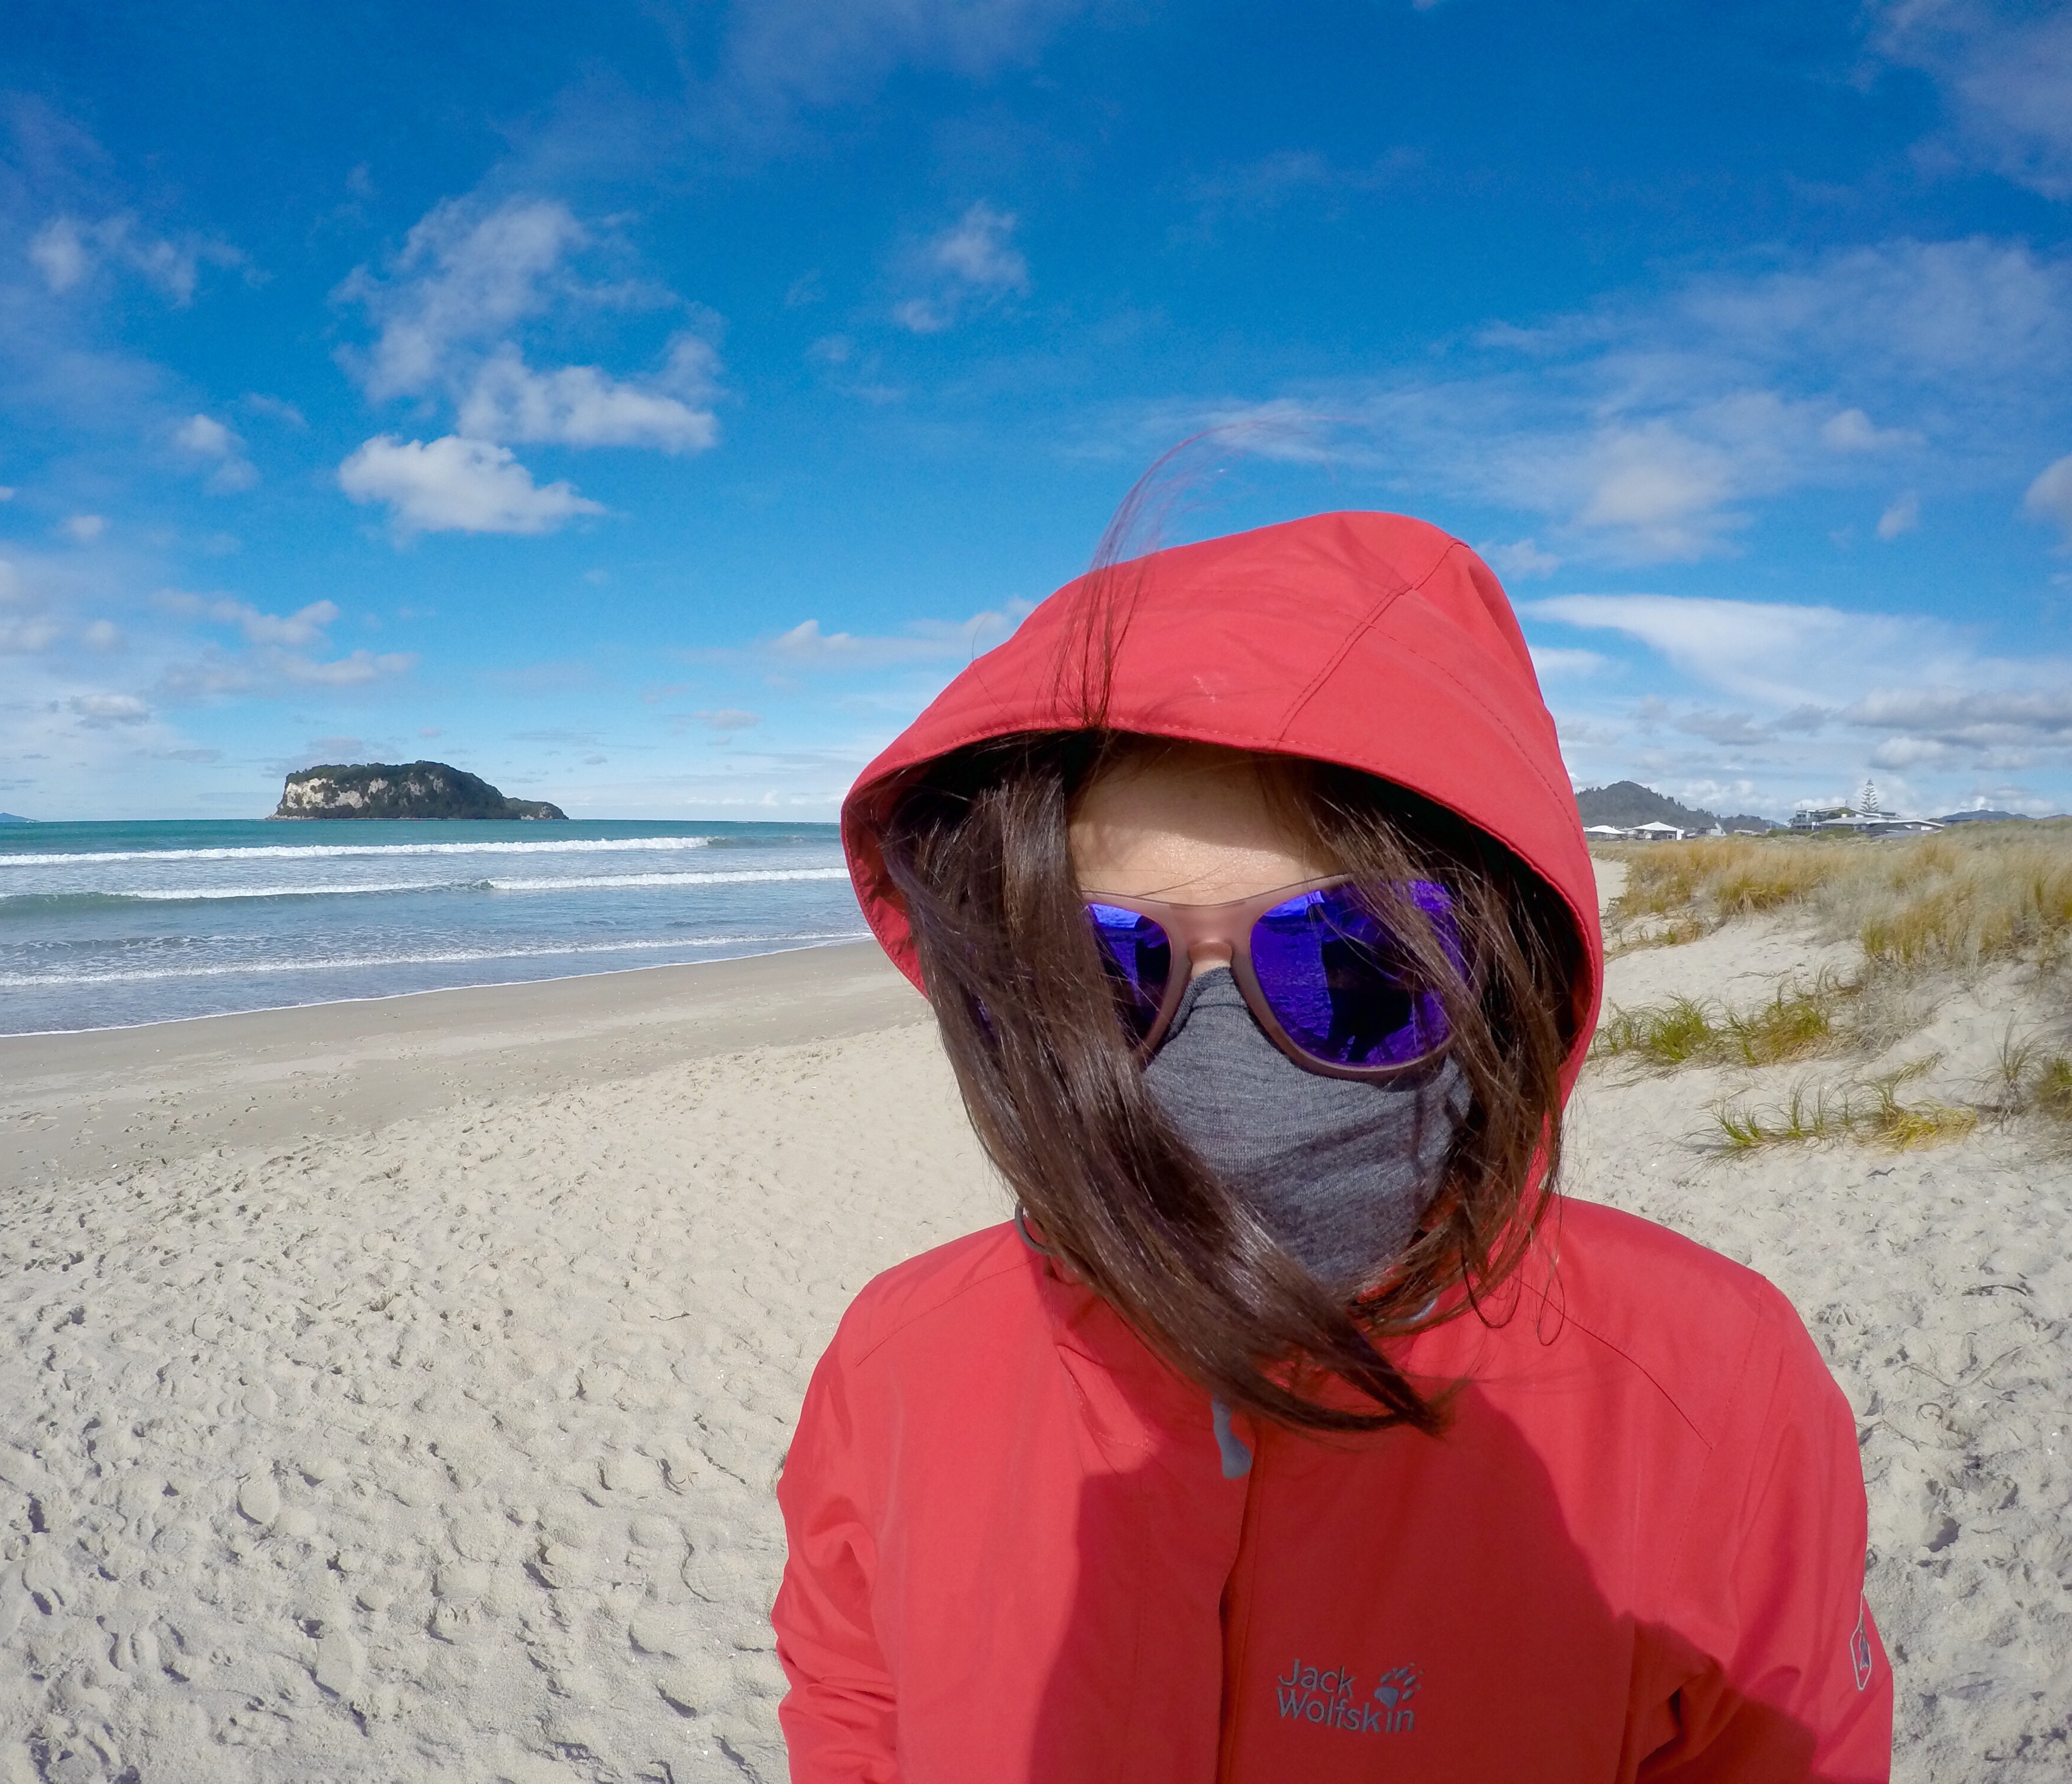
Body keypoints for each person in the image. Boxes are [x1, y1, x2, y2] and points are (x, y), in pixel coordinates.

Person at [771, 509, 1892, 1781]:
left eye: (1350, 962)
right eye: (1096, 970)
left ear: (1502, 967)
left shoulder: (1710, 1384)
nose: (1216, 1064)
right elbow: (852, 1701)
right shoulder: (898, 1358)